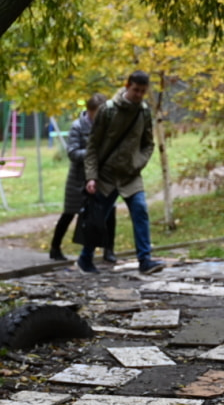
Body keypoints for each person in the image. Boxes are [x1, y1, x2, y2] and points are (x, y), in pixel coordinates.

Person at [80, 71, 165, 275]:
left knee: (140, 210)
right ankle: (85, 258)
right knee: (98, 218)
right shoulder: (107, 110)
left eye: (143, 91)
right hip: (107, 175)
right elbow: (92, 146)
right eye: (136, 90)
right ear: (127, 86)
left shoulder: (143, 112)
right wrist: (91, 176)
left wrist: (138, 163)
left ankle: (145, 260)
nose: (138, 95)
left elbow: (148, 144)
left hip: (130, 175)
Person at [48, 93, 116, 262]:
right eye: (97, 114)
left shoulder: (108, 126)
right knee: (70, 213)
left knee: (109, 213)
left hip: (102, 178)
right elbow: (72, 153)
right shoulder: (78, 126)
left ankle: (109, 250)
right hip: (78, 179)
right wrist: (93, 154)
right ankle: (55, 247)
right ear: (89, 111)